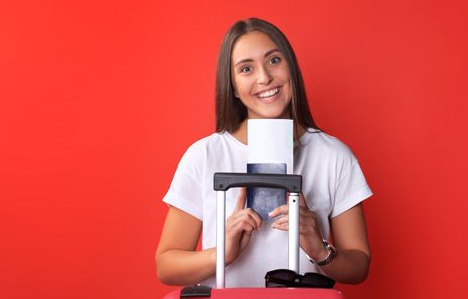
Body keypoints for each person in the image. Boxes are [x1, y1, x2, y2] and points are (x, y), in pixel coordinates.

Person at [155, 18, 373, 288]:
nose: (264, 78)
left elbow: (359, 265)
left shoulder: (334, 156)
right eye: (246, 69)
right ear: (233, 86)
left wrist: (319, 249)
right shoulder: (205, 155)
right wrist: (221, 253)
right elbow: (166, 265)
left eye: (273, 61)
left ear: (291, 67)